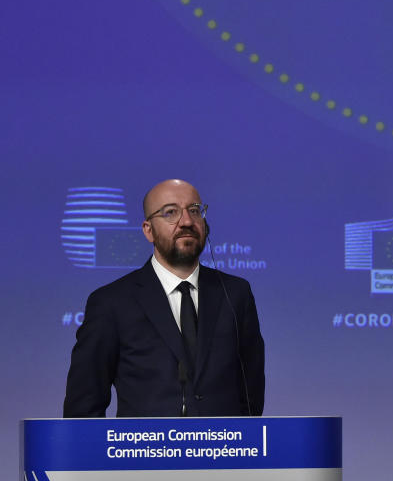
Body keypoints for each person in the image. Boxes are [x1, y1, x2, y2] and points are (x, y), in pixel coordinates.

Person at [64, 179, 264, 417]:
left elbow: (250, 395)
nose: (187, 222)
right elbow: (84, 405)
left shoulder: (236, 293)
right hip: (144, 451)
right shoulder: (111, 302)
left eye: (194, 210)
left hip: (222, 449)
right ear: (148, 230)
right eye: (171, 212)